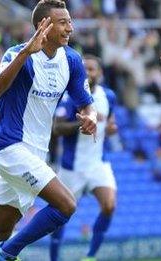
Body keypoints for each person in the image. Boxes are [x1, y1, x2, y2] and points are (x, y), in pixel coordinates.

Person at [0, 1, 97, 260]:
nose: (70, 27)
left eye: (70, 21)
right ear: (43, 26)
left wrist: (91, 117)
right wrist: (26, 52)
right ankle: (8, 253)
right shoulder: (17, 54)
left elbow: (86, 103)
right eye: (63, 22)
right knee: (66, 205)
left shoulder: (71, 59)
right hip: (10, 147)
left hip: (36, 153)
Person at [50, 55, 117, 261]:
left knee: (109, 205)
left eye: (92, 69)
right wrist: (81, 123)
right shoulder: (69, 98)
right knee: (59, 217)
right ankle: (54, 258)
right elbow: (57, 129)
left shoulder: (109, 96)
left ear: (100, 73)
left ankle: (90, 257)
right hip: (72, 168)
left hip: (98, 164)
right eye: (84, 69)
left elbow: (110, 123)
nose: (88, 73)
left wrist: (112, 128)